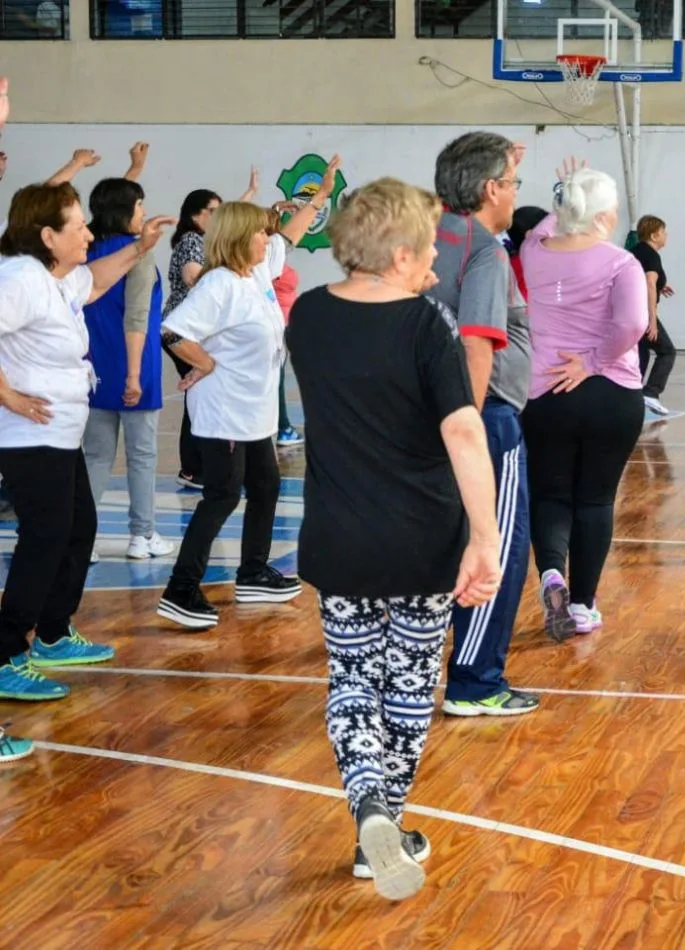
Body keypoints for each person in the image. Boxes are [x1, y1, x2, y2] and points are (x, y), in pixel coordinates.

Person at [286, 177, 501, 902]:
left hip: (340, 541)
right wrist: (487, 536)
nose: (436, 271)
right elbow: (464, 429)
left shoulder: (308, 317)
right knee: (409, 681)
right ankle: (384, 821)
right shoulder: (424, 326)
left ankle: (369, 808)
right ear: (400, 253)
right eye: (427, 258)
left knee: (352, 680)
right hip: (420, 542)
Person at [0, 180, 172, 703]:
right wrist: (8, 395)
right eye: (78, 226)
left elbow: (93, 283)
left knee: (78, 526)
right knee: (46, 536)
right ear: (48, 235)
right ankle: (8, 652)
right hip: (29, 436)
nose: (89, 233)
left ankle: (52, 633)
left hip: (58, 434)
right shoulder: (20, 279)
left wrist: (138, 249)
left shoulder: (59, 278)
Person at [157, 161, 337, 629]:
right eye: (261, 233)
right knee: (222, 495)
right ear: (241, 238)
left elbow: (290, 236)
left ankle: (253, 571)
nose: (269, 238)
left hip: (254, 411)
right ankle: (181, 588)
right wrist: (206, 363)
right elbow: (172, 331)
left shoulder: (254, 275)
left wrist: (319, 199)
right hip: (225, 411)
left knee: (266, 487)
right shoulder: (219, 284)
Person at [429, 132, 542, 715]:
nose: (516, 192)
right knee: (495, 547)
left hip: (434, 413)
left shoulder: (429, 235)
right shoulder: (485, 251)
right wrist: (468, 430)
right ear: (491, 188)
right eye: (512, 183)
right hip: (485, 419)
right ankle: (475, 683)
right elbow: (478, 346)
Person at [519, 162, 649, 625]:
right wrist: (593, 362)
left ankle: (553, 571)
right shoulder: (621, 261)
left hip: (547, 391)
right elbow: (634, 324)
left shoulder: (534, 250)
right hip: (610, 393)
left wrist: (565, 187)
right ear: (600, 217)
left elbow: (544, 224)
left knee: (551, 493)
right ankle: (581, 605)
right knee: (594, 499)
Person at [81, 175, 176, 562]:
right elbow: (136, 317)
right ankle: (143, 534)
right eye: (140, 206)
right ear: (125, 211)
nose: (145, 212)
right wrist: (134, 376)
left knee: (95, 456)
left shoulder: (87, 250)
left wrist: (135, 168)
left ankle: (81, 537)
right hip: (134, 364)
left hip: (92, 365)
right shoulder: (139, 252)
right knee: (142, 455)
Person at [164, 171, 259, 490]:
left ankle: (196, 467)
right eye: (213, 213)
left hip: (193, 330)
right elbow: (193, 276)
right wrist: (225, 269)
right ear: (195, 214)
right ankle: (193, 468)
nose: (219, 219)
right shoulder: (191, 239)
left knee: (199, 391)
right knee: (199, 392)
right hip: (182, 330)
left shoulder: (204, 239)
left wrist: (248, 195)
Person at [630, 214, 676, 416]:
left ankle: (630, 399)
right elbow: (648, 284)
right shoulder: (651, 255)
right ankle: (651, 392)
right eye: (664, 232)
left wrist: (661, 286)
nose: (666, 235)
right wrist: (652, 320)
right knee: (667, 351)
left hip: (631, 310)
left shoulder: (638, 252)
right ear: (655, 235)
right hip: (641, 311)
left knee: (641, 354)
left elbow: (644, 280)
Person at [267, 206, 303, 448]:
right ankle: (281, 427)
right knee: (276, 378)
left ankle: (282, 426)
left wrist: (277, 208)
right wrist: (319, 198)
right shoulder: (269, 253)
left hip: (281, 324)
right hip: (274, 324)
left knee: (278, 376)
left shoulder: (275, 251)